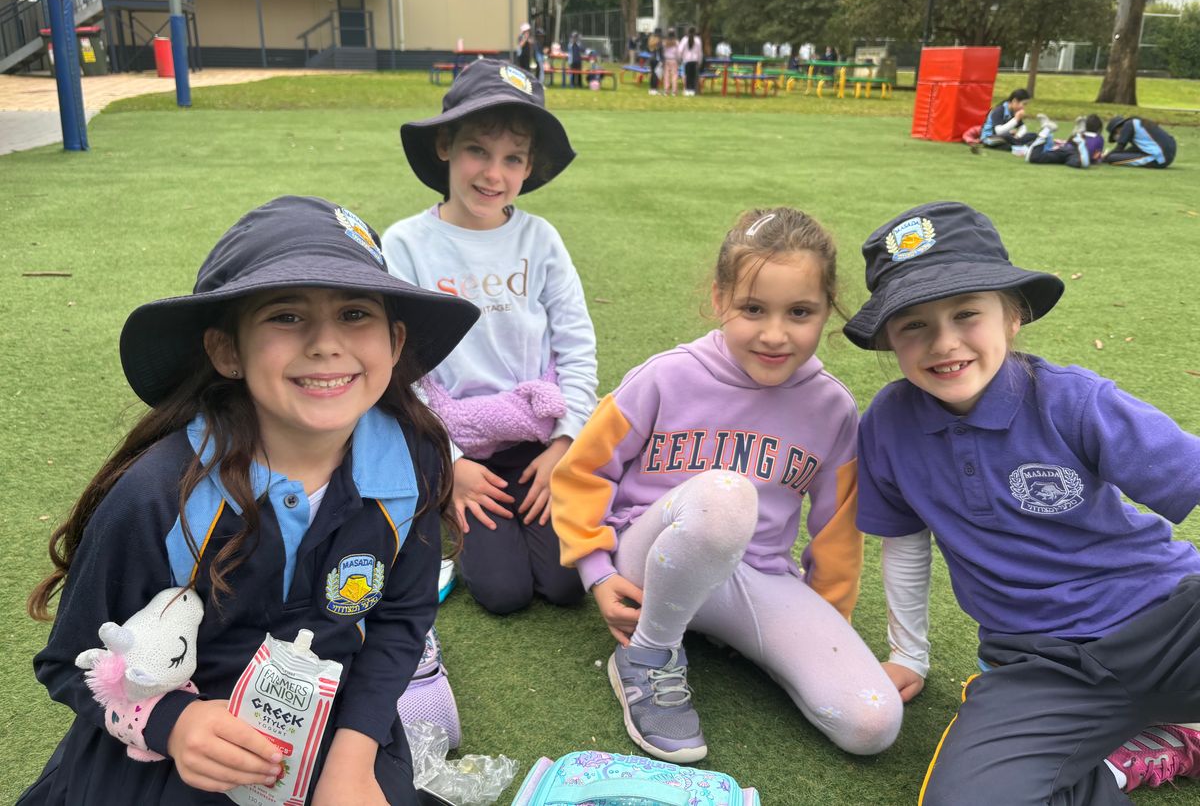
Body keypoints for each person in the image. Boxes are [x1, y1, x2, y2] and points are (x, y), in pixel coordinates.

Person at [18, 196, 480, 805]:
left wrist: (352, 759)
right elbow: (70, 660)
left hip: (336, 734)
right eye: (286, 316)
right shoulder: (160, 494)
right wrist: (172, 724)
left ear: (395, 342)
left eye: (354, 313)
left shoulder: (414, 461)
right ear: (227, 351)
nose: (325, 344)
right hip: (174, 756)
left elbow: (400, 618)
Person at [844, 200, 1200, 805]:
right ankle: (1134, 756)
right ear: (889, 342)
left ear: (1012, 317)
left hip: (1166, 623)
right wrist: (908, 655)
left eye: (966, 314)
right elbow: (903, 543)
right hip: (1039, 666)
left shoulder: (1074, 400)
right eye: (914, 325)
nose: (944, 342)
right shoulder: (886, 424)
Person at [552, 208, 904, 764]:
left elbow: (837, 534)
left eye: (800, 312)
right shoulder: (665, 376)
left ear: (827, 309)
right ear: (719, 299)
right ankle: (648, 655)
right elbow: (582, 473)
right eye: (753, 309)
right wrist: (595, 571)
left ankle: (725, 638)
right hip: (647, 565)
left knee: (872, 722)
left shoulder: (833, 408)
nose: (774, 334)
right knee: (725, 496)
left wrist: (820, 633)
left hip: (753, 577)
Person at [382, 59, 595, 616]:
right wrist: (449, 465)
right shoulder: (406, 245)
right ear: (445, 146)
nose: (493, 174)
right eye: (478, 150)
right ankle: (435, 501)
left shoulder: (540, 239)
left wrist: (564, 446)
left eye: (512, 158)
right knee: (505, 592)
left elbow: (575, 343)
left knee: (567, 584)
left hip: (533, 438)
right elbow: (398, 367)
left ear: (529, 166)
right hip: (454, 441)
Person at [1021, 113, 1105, 168]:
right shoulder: (1099, 138)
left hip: (1066, 150)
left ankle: (1046, 129)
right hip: (1074, 153)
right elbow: (1095, 157)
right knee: (1082, 163)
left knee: (1034, 158)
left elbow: (1069, 143)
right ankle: (1078, 132)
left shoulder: (1086, 137)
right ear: (1099, 129)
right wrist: (1101, 158)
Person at [1103, 115, 1177, 168]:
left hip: (1157, 158)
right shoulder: (1137, 123)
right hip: (1167, 157)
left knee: (1111, 158)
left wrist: (1104, 157)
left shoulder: (1128, 125)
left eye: (1115, 133)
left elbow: (1119, 149)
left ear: (1118, 128)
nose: (1117, 136)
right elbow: (1131, 150)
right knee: (1115, 156)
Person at [679, 26, 703, 97]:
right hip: (695, 61)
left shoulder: (684, 39)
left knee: (687, 76)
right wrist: (699, 61)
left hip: (686, 61)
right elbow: (700, 52)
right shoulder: (698, 40)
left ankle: (687, 90)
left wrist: (680, 58)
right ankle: (692, 91)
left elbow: (680, 50)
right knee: (693, 77)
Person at [662, 27, 680, 97]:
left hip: (666, 59)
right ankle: (674, 92)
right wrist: (678, 59)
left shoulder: (665, 42)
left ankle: (666, 91)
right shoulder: (676, 42)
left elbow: (663, 51)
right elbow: (678, 52)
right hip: (674, 60)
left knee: (666, 76)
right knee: (674, 76)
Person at [647, 27, 664, 96]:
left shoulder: (651, 39)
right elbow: (660, 51)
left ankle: (651, 89)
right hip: (657, 59)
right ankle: (654, 89)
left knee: (652, 74)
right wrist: (662, 60)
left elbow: (649, 49)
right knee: (656, 75)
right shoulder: (659, 41)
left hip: (651, 58)